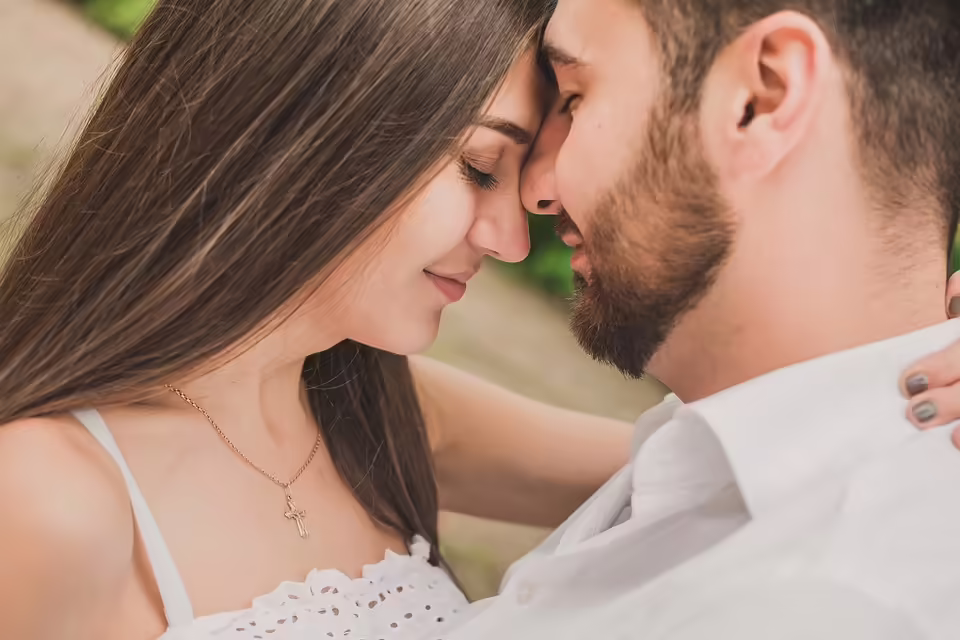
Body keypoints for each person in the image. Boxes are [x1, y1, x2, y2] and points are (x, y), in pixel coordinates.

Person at [1, 1, 959, 640]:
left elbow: (720, 466)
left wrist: (890, 397)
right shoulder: (51, 502)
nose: (516, 228)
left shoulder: (359, 412)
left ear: (767, 95)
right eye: (476, 165)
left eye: (576, 103)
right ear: (302, 132)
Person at [444, 0, 960, 638]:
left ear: (763, 96)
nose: (536, 190)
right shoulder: (717, 457)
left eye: (575, 98)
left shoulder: (831, 603)